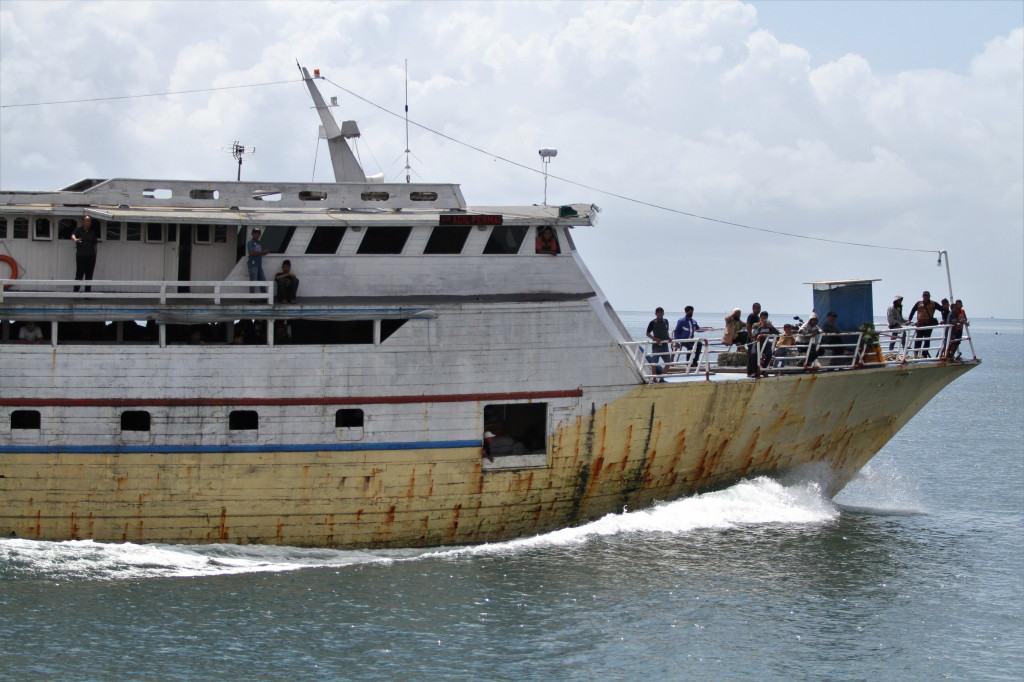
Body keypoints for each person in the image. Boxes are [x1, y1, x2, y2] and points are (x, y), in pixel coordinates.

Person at [71, 215, 99, 292]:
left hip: (91, 256)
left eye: (89, 221)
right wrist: (75, 239)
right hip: (81, 256)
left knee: (89, 276)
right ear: (83, 222)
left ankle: (87, 294)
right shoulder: (78, 230)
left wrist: (95, 255)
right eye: (86, 221)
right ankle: (75, 293)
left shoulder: (92, 232)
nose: (88, 222)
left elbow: (95, 244)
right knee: (79, 275)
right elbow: (73, 235)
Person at [747, 311, 779, 377]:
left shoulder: (768, 326)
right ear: (760, 317)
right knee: (754, 355)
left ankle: (763, 369)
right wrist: (761, 327)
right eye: (763, 318)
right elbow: (754, 334)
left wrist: (771, 327)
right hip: (757, 343)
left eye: (765, 319)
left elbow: (777, 333)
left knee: (769, 354)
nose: (764, 320)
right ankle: (754, 371)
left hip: (765, 343)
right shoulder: (755, 325)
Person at [909, 290, 939, 357]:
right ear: (922, 296)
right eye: (924, 296)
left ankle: (924, 355)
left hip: (928, 324)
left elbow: (942, 309)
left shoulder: (933, 303)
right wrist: (909, 319)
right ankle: (916, 355)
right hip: (920, 324)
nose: (926, 297)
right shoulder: (919, 303)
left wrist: (943, 319)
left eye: (927, 296)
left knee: (927, 340)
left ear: (929, 296)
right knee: (918, 340)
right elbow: (913, 311)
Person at [646, 307, 671, 380]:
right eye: (658, 312)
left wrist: (668, 338)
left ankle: (661, 378)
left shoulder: (666, 321)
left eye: (661, 312)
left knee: (668, 362)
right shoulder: (653, 322)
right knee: (654, 363)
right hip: (656, 346)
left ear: (663, 313)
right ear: (656, 314)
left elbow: (666, 331)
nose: (660, 314)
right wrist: (655, 339)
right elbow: (647, 333)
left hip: (664, 345)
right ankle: (654, 378)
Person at [247, 228, 270, 295]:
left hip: (259, 264)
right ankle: (252, 297)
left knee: (262, 280)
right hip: (253, 264)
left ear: (260, 234)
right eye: (255, 233)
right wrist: (262, 252)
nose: (256, 235)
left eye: (258, 233)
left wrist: (264, 252)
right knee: (253, 280)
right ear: (252, 234)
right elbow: (251, 253)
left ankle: (264, 296)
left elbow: (258, 252)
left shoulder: (259, 242)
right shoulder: (251, 242)